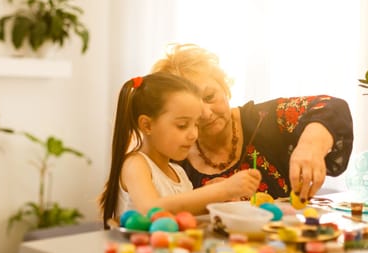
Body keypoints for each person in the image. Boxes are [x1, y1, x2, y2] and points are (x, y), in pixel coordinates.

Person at [151, 43, 353, 203]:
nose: (205, 113)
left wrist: (310, 145)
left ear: (224, 87)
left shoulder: (263, 119)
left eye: (210, 96)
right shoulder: (173, 154)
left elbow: (330, 107)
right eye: (191, 109)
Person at [99, 72, 261, 228]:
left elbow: (181, 213)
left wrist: (211, 199)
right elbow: (151, 210)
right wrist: (221, 190)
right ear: (147, 125)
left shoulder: (179, 173)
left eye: (196, 124)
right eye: (182, 125)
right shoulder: (135, 164)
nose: (193, 135)